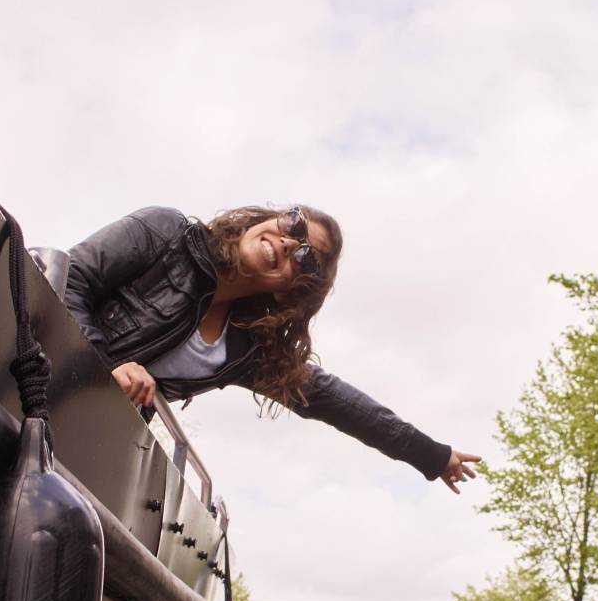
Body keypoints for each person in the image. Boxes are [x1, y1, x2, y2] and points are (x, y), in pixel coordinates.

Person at [58, 205, 480, 489]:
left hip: (82, 435)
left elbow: (337, 402)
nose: (288, 243)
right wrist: (104, 364)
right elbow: (67, 277)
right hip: (36, 375)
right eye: (293, 225)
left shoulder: (245, 348)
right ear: (269, 218)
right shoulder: (167, 235)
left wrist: (432, 455)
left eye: (305, 258)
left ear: (289, 292)